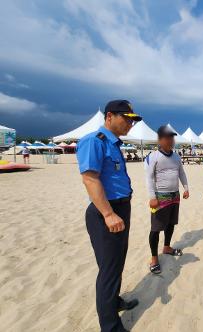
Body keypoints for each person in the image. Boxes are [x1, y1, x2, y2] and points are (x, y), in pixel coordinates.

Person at [76, 100, 142, 332]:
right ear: (110, 116)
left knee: (117, 263)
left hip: (120, 209)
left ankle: (114, 301)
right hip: (107, 212)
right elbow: (90, 179)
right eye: (127, 118)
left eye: (133, 120)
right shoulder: (95, 141)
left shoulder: (114, 144)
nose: (130, 124)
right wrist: (108, 214)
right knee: (109, 270)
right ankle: (110, 326)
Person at [144, 125, 189, 274]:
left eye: (172, 138)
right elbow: (149, 178)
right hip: (160, 197)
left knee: (170, 224)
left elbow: (181, 173)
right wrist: (152, 197)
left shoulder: (176, 157)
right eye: (167, 138)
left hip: (175, 196)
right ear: (160, 140)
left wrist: (186, 187)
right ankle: (154, 257)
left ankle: (167, 247)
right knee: (156, 228)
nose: (171, 140)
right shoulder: (153, 156)